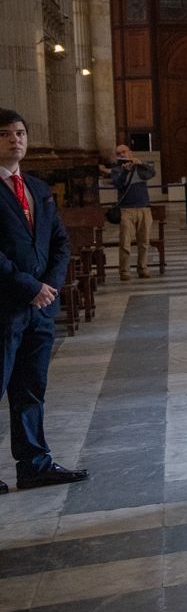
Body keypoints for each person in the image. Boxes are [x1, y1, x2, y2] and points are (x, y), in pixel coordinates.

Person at [0, 109, 88, 493]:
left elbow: (59, 243)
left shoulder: (37, 188)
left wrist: (48, 287)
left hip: (39, 308)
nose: (14, 140)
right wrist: (27, 286)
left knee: (31, 388)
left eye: (20, 133)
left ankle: (34, 464)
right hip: (5, 305)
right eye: (4, 134)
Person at [102, 143, 155, 280]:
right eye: (118, 154)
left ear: (130, 153)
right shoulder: (117, 169)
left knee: (144, 241)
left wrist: (141, 164)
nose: (122, 155)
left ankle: (143, 268)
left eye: (123, 152)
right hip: (126, 210)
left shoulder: (139, 167)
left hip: (144, 208)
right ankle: (124, 271)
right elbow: (119, 184)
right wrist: (125, 171)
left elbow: (151, 173)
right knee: (125, 242)